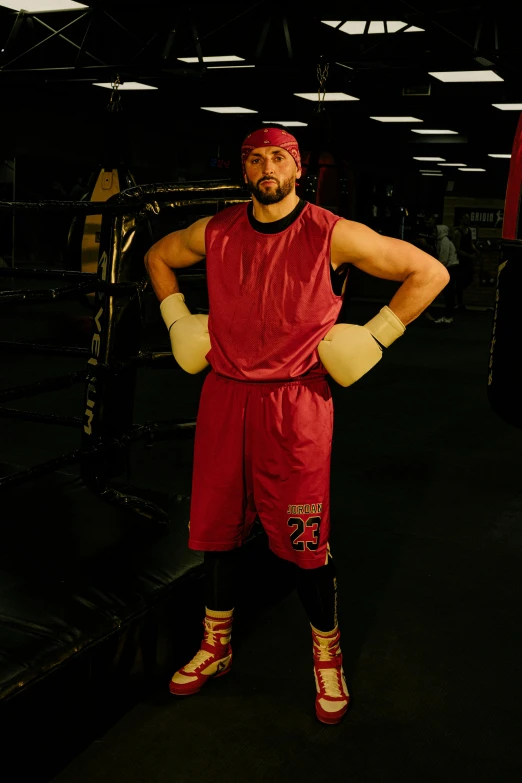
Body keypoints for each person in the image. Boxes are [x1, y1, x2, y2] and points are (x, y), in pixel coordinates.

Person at [144, 125, 449, 725]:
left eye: (277, 158)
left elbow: (429, 273)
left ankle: (326, 655)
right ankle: (216, 646)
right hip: (225, 397)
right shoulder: (217, 229)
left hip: (296, 402)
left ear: (297, 169)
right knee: (215, 529)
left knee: (307, 543)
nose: (265, 166)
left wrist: (378, 334)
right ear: (244, 169)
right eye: (254, 157)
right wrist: (178, 317)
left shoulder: (333, 233)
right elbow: (157, 256)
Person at [433, 225, 459, 325]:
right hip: (452, 269)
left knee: (448, 294)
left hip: (450, 269)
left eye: (436, 231)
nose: (434, 233)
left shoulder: (444, 242)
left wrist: (437, 270)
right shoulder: (443, 241)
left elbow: (443, 259)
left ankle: (448, 316)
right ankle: (449, 316)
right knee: (449, 294)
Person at [452, 213, 478, 311]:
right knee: (460, 281)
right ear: (461, 220)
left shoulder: (469, 231)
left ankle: (459, 302)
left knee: (468, 278)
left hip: (467, 260)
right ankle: (459, 303)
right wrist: (469, 256)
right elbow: (457, 249)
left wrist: (475, 250)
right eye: (465, 218)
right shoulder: (457, 232)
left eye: (468, 218)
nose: (468, 220)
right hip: (460, 260)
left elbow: (470, 243)